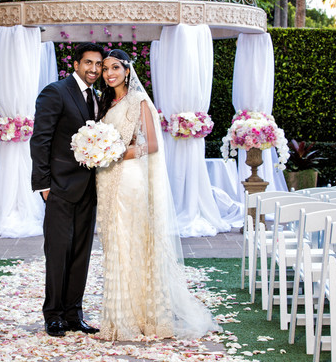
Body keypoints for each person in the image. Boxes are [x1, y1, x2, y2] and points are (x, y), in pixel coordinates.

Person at [96, 49, 220, 341]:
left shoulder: (138, 101)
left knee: (131, 244)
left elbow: (151, 145)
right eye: (105, 69)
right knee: (115, 245)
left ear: (127, 71)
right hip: (106, 179)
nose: (109, 73)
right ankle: (119, 317)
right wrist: (98, 152)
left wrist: (113, 153)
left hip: (128, 179)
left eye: (115, 67)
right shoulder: (104, 102)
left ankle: (141, 317)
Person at [30, 42, 105, 337]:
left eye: (98, 65)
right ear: (75, 64)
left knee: (80, 253)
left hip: (88, 188)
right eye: (88, 63)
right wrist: (44, 184)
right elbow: (41, 140)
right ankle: (54, 315)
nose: (94, 69)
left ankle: (74, 314)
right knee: (58, 252)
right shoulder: (55, 91)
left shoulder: (96, 97)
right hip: (60, 187)